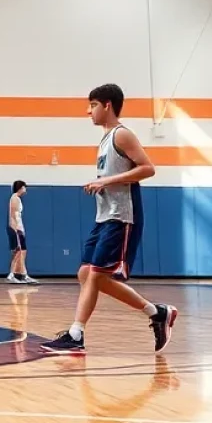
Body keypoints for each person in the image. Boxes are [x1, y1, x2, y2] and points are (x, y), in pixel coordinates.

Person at [41, 84, 177, 356]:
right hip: (105, 216)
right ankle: (157, 312)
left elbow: (148, 168)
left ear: (107, 105)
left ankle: (76, 334)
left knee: (95, 275)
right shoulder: (105, 140)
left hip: (121, 215)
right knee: (86, 274)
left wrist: (107, 181)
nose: (87, 111)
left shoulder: (122, 134)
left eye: (92, 105)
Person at [7, 180, 36, 284]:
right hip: (16, 228)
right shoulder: (15, 198)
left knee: (22, 252)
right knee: (18, 252)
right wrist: (16, 230)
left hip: (19, 228)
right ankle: (13, 275)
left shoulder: (17, 198)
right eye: (24, 187)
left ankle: (23, 274)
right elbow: (12, 216)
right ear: (20, 187)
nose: (25, 189)